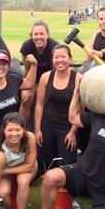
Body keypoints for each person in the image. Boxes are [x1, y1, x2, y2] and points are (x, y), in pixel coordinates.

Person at [34, 44, 81, 173]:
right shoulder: (46, 77)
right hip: (48, 125)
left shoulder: (78, 79)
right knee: (46, 167)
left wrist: (73, 132)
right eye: (56, 57)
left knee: (66, 167)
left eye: (63, 57)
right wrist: (37, 129)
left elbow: (80, 109)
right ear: (52, 60)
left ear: (70, 59)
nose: (60, 60)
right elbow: (39, 104)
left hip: (67, 127)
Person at [18, 20, 60, 122]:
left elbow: (56, 72)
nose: (38, 37)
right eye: (35, 34)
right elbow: (27, 70)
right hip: (34, 79)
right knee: (26, 99)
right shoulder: (26, 47)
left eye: (41, 34)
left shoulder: (54, 48)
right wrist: (26, 89)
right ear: (31, 35)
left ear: (47, 35)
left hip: (50, 78)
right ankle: (21, 127)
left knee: (49, 100)